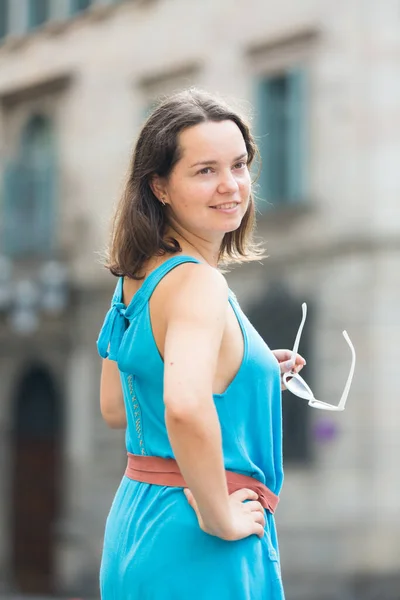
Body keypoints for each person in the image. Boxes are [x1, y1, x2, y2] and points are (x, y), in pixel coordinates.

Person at [96, 88, 305, 599]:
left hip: (137, 522)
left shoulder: (136, 278)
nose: (232, 185)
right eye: (205, 170)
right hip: (198, 532)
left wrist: (248, 373)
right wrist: (220, 517)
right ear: (160, 187)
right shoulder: (199, 283)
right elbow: (184, 405)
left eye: (239, 165)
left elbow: (117, 406)